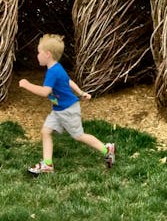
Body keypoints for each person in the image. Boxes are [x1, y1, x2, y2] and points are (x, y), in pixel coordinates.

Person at [18, 34, 115, 175]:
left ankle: (107, 149)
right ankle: (47, 165)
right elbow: (69, 81)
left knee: (79, 136)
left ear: (47, 54)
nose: (37, 56)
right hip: (58, 110)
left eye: (39, 53)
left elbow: (45, 92)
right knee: (46, 132)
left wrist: (27, 85)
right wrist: (81, 92)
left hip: (68, 110)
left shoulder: (53, 72)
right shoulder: (57, 68)